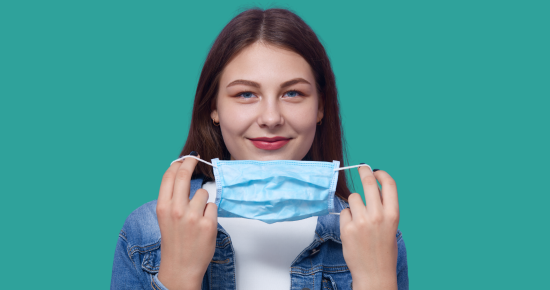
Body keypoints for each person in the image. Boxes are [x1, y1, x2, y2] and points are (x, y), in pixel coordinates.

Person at [111, 7, 408, 290]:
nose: (270, 118)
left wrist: (377, 279)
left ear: (320, 107)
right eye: (245, 94)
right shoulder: (148, 233)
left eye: (293, 93)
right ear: (214, 107)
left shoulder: (377, 236)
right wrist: (179, 275)